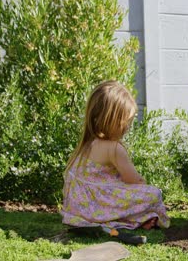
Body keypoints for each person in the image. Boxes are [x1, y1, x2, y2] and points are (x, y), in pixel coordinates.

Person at [61, 80, 170, 230]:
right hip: (98, 206)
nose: (128, 127)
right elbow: (133, 180)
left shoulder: (88, 143)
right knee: (153, 194)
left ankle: (139, 218)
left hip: (77, 210)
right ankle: (142, 216)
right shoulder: (114, 148)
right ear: (113, 120)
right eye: (127, 121)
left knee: (128, 195)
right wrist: (142, 183)